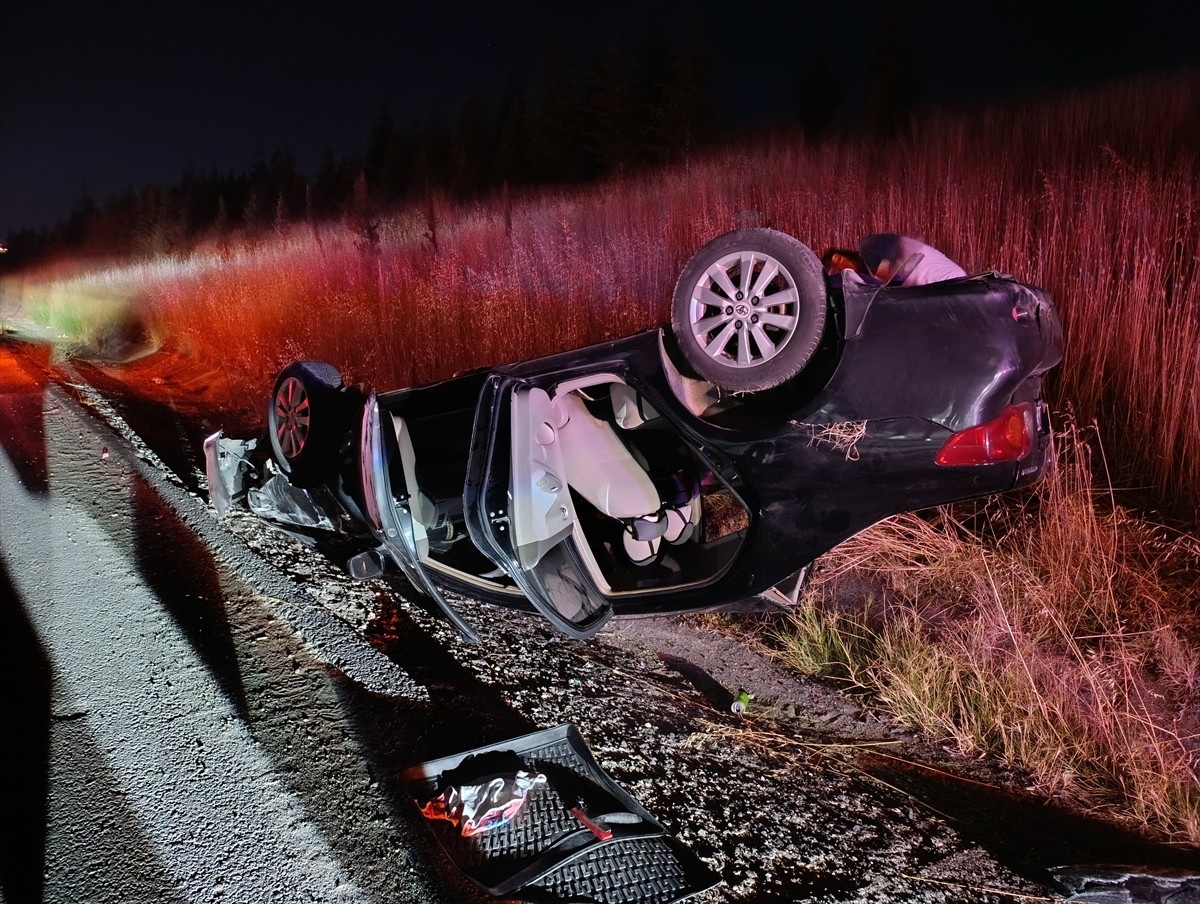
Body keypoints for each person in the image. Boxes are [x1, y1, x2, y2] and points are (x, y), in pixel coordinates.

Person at [822, 234, 966, 287]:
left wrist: (883, 276)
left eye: (835, 272)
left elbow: (895, 248)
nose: (841, 277)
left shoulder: (868, 248)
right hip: (940, 290)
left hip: (945, 281)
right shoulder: (870, 274)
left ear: (838, 258)